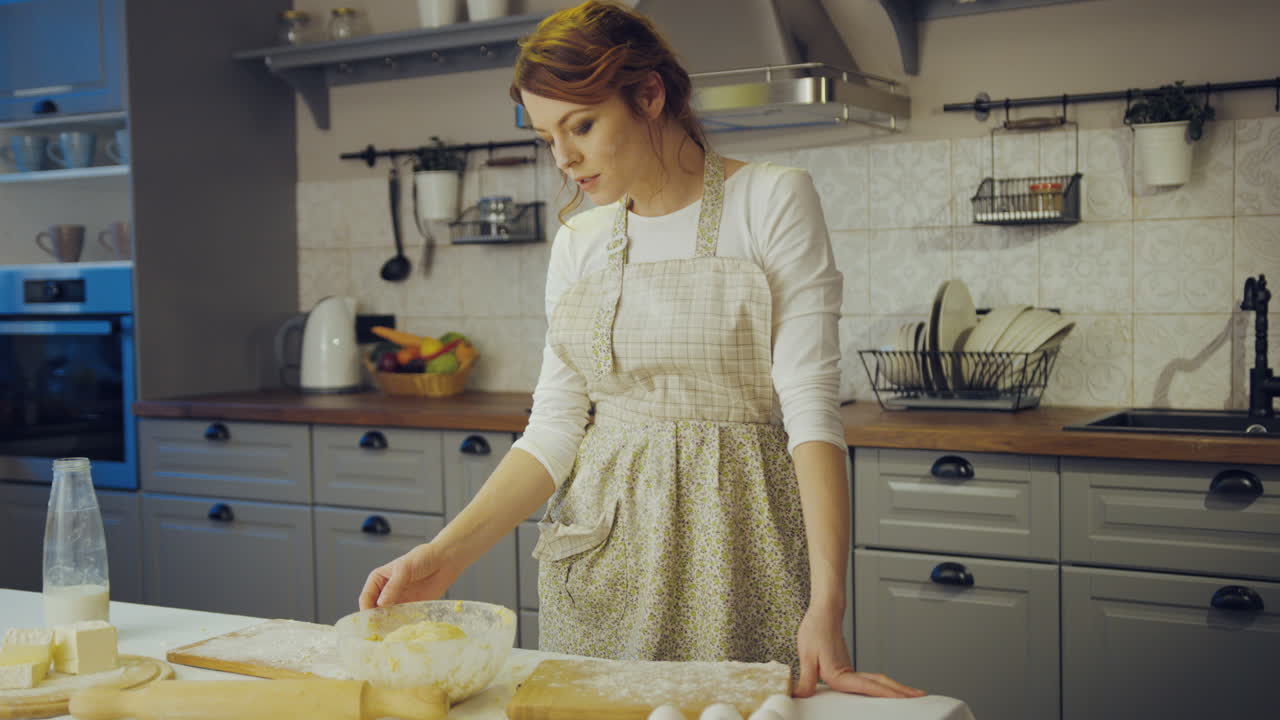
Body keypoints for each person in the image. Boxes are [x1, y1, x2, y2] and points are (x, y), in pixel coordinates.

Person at [359, 0, 924, 700]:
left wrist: (827, 604)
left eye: (582, 126)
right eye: (547, 138)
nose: (564, 158)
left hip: (741, 556)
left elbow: (810, 412)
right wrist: (443, 557)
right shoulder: (580, 242)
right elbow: (555, 429)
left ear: (649, 94)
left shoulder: (773, 200)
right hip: (601, 561)